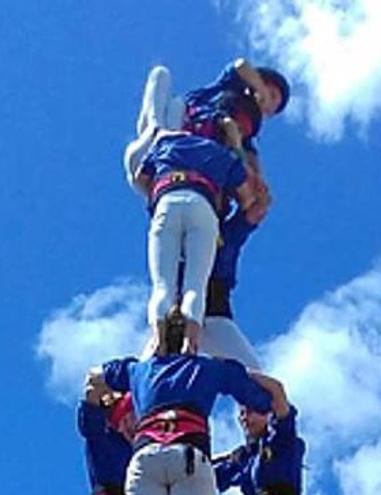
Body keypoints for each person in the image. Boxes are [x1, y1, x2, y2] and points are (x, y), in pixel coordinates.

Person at [91, 306, 288, 495]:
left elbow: (94, 378)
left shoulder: (137, 370)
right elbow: (258, 398)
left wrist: (99, 395)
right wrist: (261, 392)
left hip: (145, 458)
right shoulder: (207, 368)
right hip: (188, 454)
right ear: (192, 336)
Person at [135, 131, 255, 353]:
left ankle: (159, 340)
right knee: (195, 284)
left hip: (167, 200)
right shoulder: (221, 153)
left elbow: (140, 178)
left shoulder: (166, 143)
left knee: (162, 285)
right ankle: (190, 342)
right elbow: (248, 197)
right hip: (203, 204)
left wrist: (156, 195)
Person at [124, 59, 290, 197]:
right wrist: (260, 89)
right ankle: (155, 130)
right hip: (177, 125)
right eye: (272, 96)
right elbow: (240, 65)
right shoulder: (230, 88)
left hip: (176, 161)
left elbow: (249, 156)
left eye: (272, 110)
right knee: (161, 75)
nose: (268, 106)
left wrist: (258, 180)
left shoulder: (246, 134)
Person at [198, 191, 270, 369]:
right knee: (146, 378)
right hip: (175, 313)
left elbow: (260, 204)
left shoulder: (228, 232)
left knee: (254, 376)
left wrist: (249, 164)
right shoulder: (178, 223)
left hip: (213, 309)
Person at [213, 378, 305, 495]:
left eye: (250, 411)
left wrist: (239, 373)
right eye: (242, 413)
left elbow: (277, 389)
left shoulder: (282, 439)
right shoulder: (243, 458)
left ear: (268, 413)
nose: (245, 418)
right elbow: (207, 474)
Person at [76, 377, 136, 495]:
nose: (130, 425)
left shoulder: (151, 439)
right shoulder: (102, 436)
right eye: (123, 420)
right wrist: (104, 382)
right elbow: (91, 398)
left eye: (134, 416)